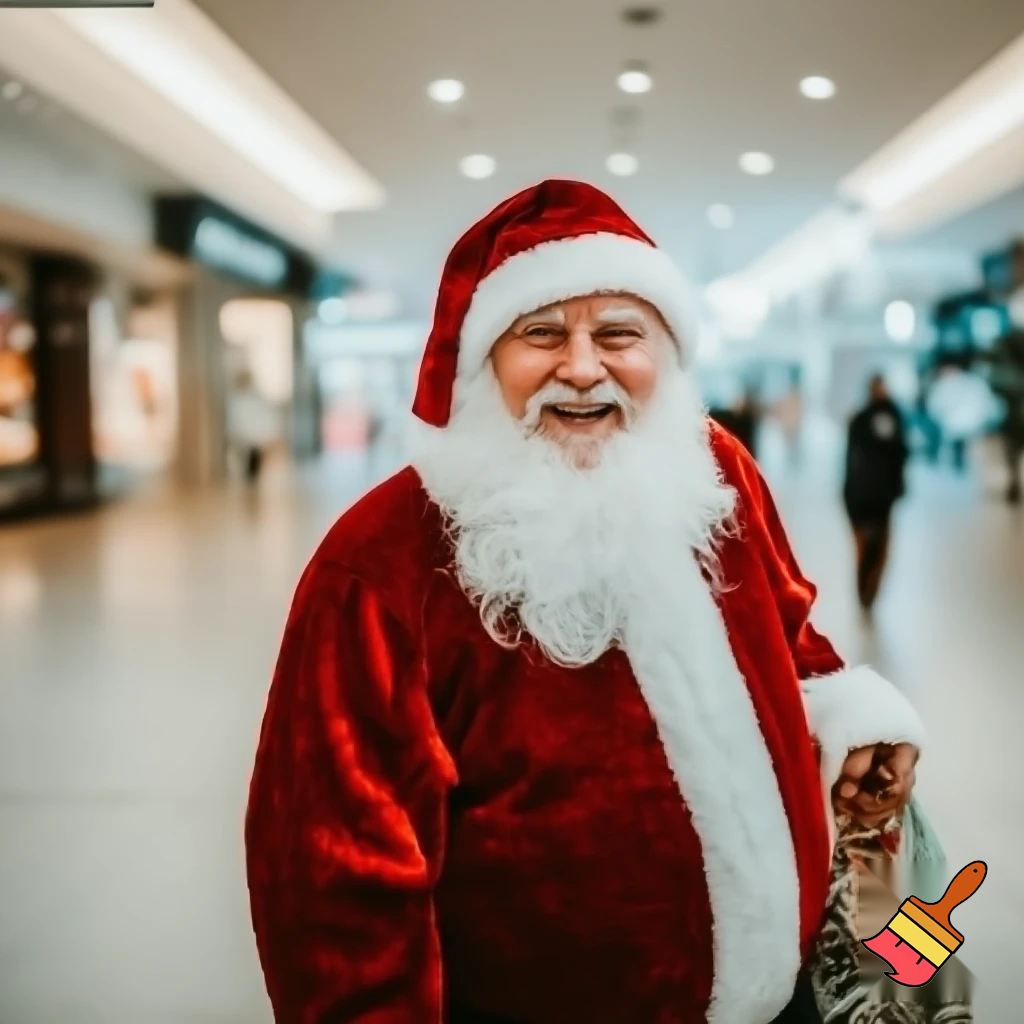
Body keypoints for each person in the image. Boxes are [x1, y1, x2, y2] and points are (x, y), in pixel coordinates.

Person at [245, 181, 926, 1024]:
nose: (580, 367)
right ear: (481, 358)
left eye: (617, 334)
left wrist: (845, 724)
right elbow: (332, 880)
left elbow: (784, 636)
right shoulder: (379, 562)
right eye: (539, 333)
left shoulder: (713, 472)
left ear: (662, 350)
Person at [843, 375, 909, 612]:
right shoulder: (860, 420)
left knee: (880, 548)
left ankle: (871, 591)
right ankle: (863, 591)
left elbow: (901, 454)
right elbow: (850, 460)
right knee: (863, 548)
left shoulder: (895, 416)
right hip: (862, 495)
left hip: (883, 496)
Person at [227, 368, 279, 485]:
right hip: (246, 434)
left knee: (252, 456)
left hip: (251, 434)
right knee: (245, 456)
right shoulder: (238, 398)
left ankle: (251, 477)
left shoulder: (252, 397)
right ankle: (248, 476)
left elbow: (263, 416)